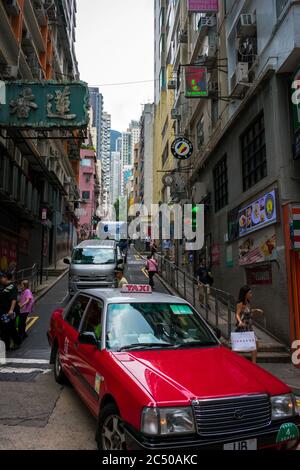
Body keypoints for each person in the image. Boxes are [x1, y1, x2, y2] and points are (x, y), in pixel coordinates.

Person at [235, 286, 263, 364]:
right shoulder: (240, 303)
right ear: (245, 294)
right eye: (250, 293)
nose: (251, 294)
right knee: (253, 344)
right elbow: (237, 314)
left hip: (249, 326)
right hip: (243, 326)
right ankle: (253, 363)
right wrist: (240, 322)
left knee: (255, 345)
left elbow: (248, 311)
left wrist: (255, 310)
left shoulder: (247, 302)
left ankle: (253, 363)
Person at [0, 272, 21, 351]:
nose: (0, 280)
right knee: (5, 328)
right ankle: (8, 345)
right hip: (3, 311)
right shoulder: (3, 286)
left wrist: (11, 310)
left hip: (10, 312)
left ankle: (15, 342)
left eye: (1, 278)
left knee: (8, 328)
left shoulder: (12, 286)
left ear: (5, 277)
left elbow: (13, 299)